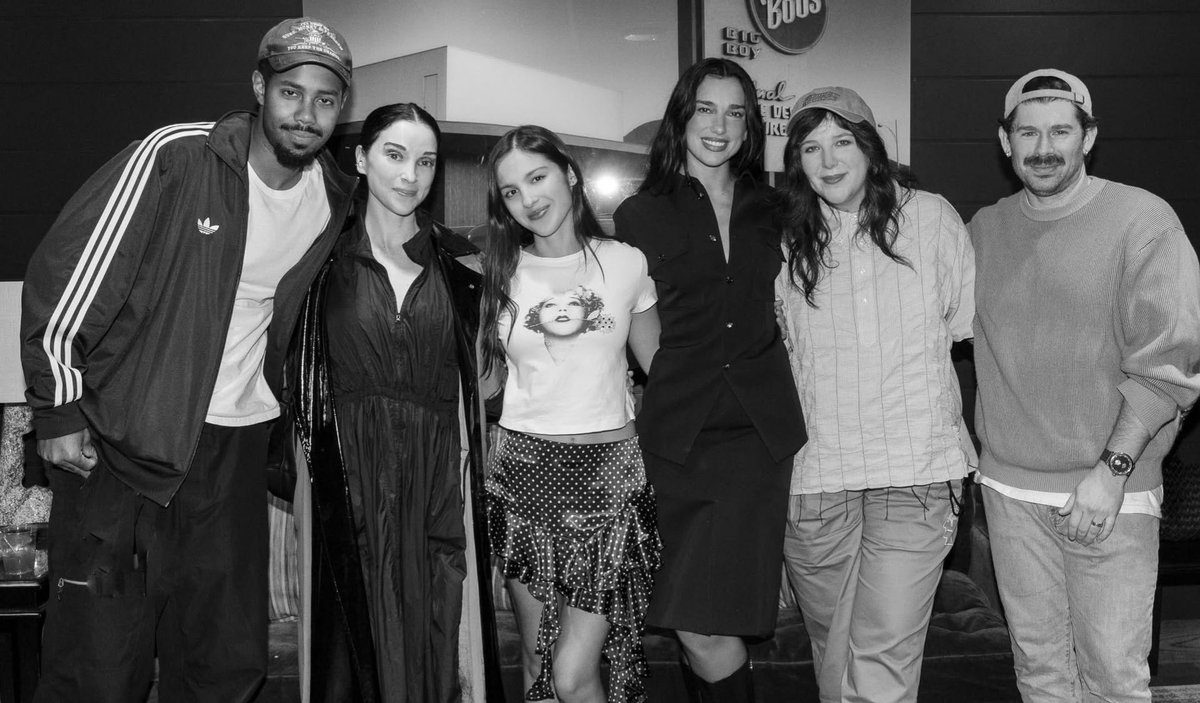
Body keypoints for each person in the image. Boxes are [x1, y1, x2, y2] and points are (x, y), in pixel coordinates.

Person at [20, 17, 355, 702]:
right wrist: (58, 407)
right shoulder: (180, 156)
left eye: (326, 99)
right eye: (292, 92)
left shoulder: (334, 200)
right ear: (260, 87)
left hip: (236, 457)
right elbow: (66, 270)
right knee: (97, 665)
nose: (307, 113)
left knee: (223, 663)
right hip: (125, 449)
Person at [969, 68, 1200, 701]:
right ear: (1005, 139)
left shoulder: (1143, 221)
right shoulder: (984, 230)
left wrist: (1112, 471)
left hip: (1108, 494)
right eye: (1028, 131)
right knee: (1040, 674)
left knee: (1113, 677)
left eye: (1061, 131)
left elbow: (1168, 363)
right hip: (1009, 494)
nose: (1044, 148)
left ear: (1087, 138)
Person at [291, 103, 501, 702]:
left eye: (426, 161)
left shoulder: (464, 266)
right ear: (360, 159)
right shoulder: (317, 261)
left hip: (437, 480)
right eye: (394, 154)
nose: (411, 175)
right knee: (350, 646)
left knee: (439, 627)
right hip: (344, 470)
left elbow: (487, 385)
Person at [613, 58, 806, 701]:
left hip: (756, 440)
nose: (719, 126)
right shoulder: (640, 215)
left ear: (751, 127)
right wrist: (668, 374)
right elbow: (636, 313)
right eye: (705, 109)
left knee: (707, 622)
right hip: (677, 442)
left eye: (735, 112)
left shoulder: (778, 210)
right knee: (691, 621)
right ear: (682, 117)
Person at [774, 87, 975, 703]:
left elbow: (962, 324)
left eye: (843, 141)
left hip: (913, 470)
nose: (829, 160)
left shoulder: (932, 218)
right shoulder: (782, 237)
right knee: (833, 652)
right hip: (817, 477)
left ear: (870, 147)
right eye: (811, 146)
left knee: (883, 654)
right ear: (796, 160)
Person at [481, 125, 662, 703]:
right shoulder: (495, 275)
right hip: (523, 475)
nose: (529, 199)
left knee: (572, 672)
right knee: (539, 666)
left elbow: (664, 369)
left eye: (537, 178)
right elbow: (483, 381)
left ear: (571, 175)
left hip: (609, 480)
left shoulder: (625, 263)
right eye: (512, 192)